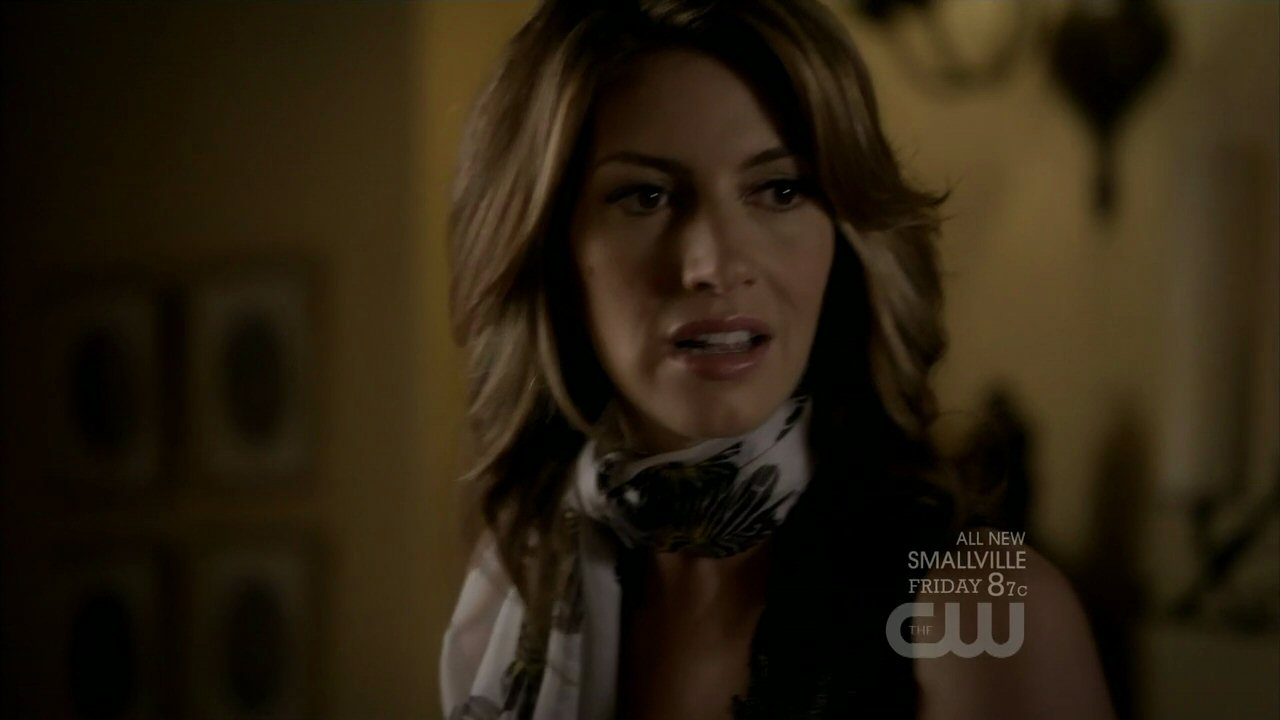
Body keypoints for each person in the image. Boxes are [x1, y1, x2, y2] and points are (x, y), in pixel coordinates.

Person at [440, 1, 1115, 718]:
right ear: (550, 250)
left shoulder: (988, 605)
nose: (713, 265)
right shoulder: (518, 588)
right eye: (646, 196)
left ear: (845, 237)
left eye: (779, 190)